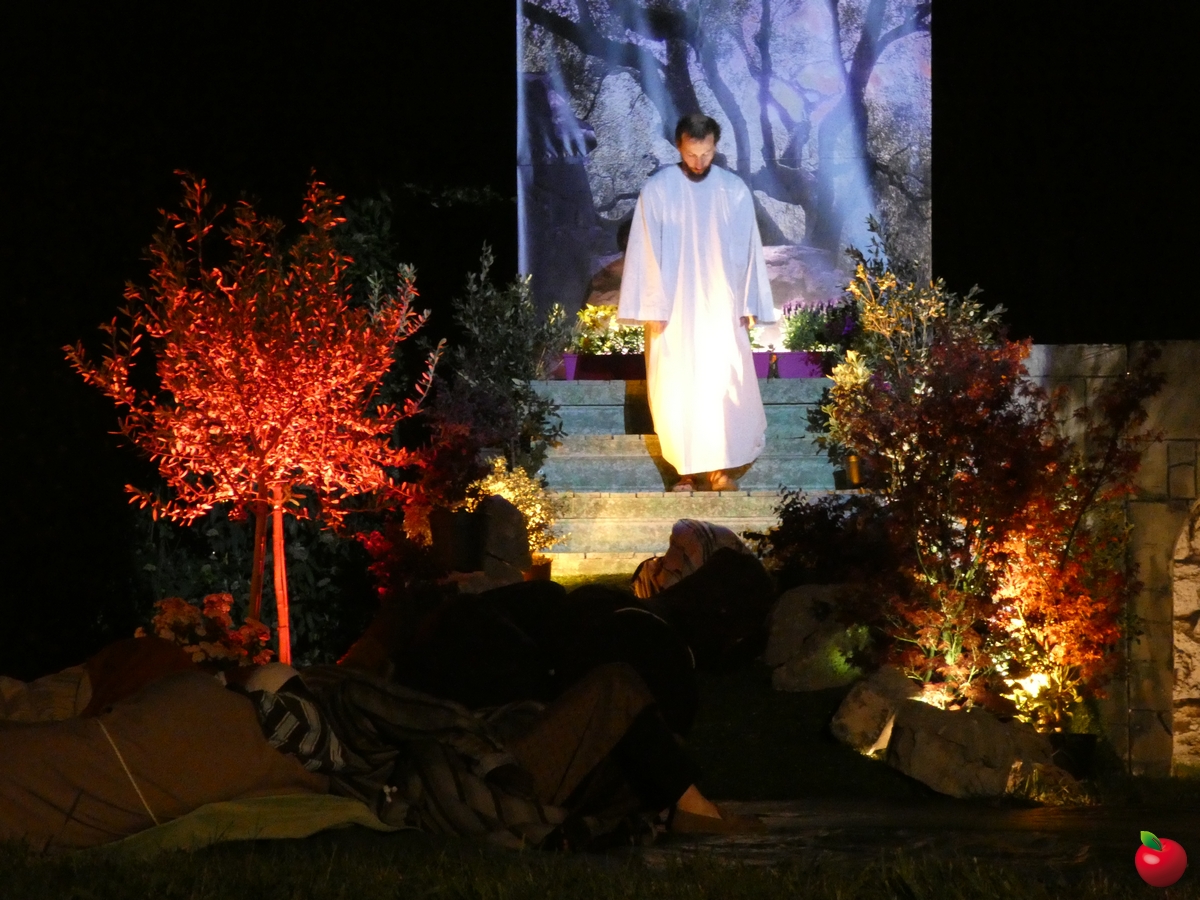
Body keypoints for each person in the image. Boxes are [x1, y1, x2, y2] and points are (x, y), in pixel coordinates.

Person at [617, 113, 777, 492]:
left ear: (715, 147)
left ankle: (718, 470)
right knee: (677, 389)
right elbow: (645, 250)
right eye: (692, 154)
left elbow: (748, 249)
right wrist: (652, 306)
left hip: (721, 306)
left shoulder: (733, 190)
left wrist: (748, 302)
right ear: (679, 147)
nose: (699, 162)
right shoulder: (659, 189)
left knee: (723, 384)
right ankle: (684, 473)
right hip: (673, 310)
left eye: (706, 153)